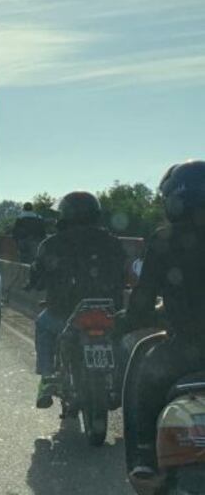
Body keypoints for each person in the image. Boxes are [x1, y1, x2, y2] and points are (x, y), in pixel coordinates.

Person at [119, 160, 205, 483]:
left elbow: (142, 301)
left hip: (185, 351)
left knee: (147, 375)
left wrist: (128, 320)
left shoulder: (164, 239)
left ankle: (144, 456)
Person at [26, 191, 126, 409]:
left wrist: (33, 282)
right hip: (109, 313)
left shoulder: (52, 243)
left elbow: (38, 277)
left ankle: (46, 378)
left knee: (43, 326)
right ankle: (121, 383)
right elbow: (125, 274)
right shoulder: (112, 242)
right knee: (122, 341)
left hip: (64, 313)